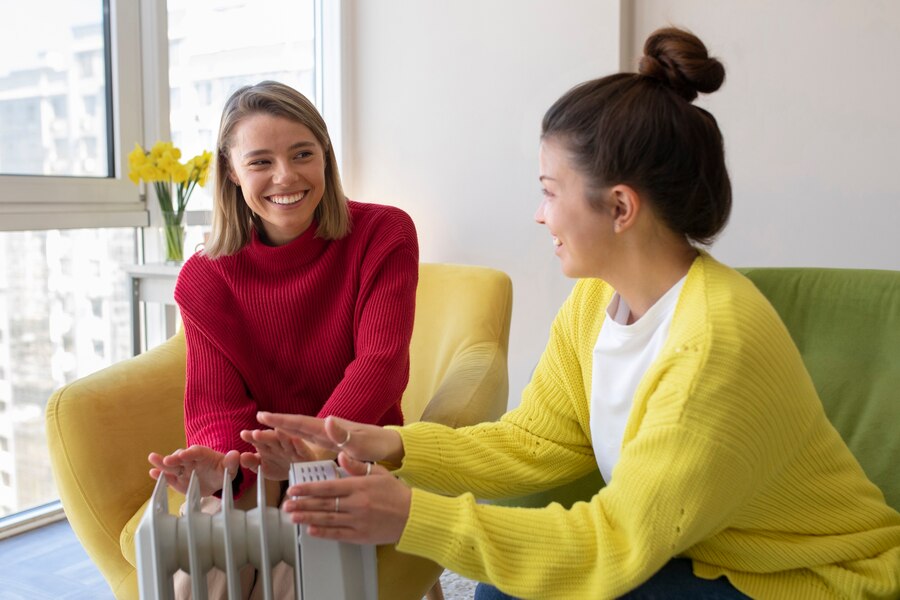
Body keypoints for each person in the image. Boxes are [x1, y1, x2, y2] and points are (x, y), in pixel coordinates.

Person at [242, 29, 900, 600]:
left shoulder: (712, 347)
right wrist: (386, 443)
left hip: (809, 580)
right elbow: (536, 443)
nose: (540, 215)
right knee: (511, 589)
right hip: (709, 554)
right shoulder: (597, 297)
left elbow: (610, 543)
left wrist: (412, 515)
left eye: (550, 192)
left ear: (619, 208)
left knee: (514, 591)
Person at [146, 80, 419, 597]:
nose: (286, 176)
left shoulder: (384, 233)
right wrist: (225, 465)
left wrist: (311, 447)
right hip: (258, 465)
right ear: (231, 172)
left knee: (299, 569)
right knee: (208, 563)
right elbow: (217, 404)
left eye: (302, 154)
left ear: (325, 158)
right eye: (261, 162)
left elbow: (380, 365)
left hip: (348, 449)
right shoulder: (205, 277)